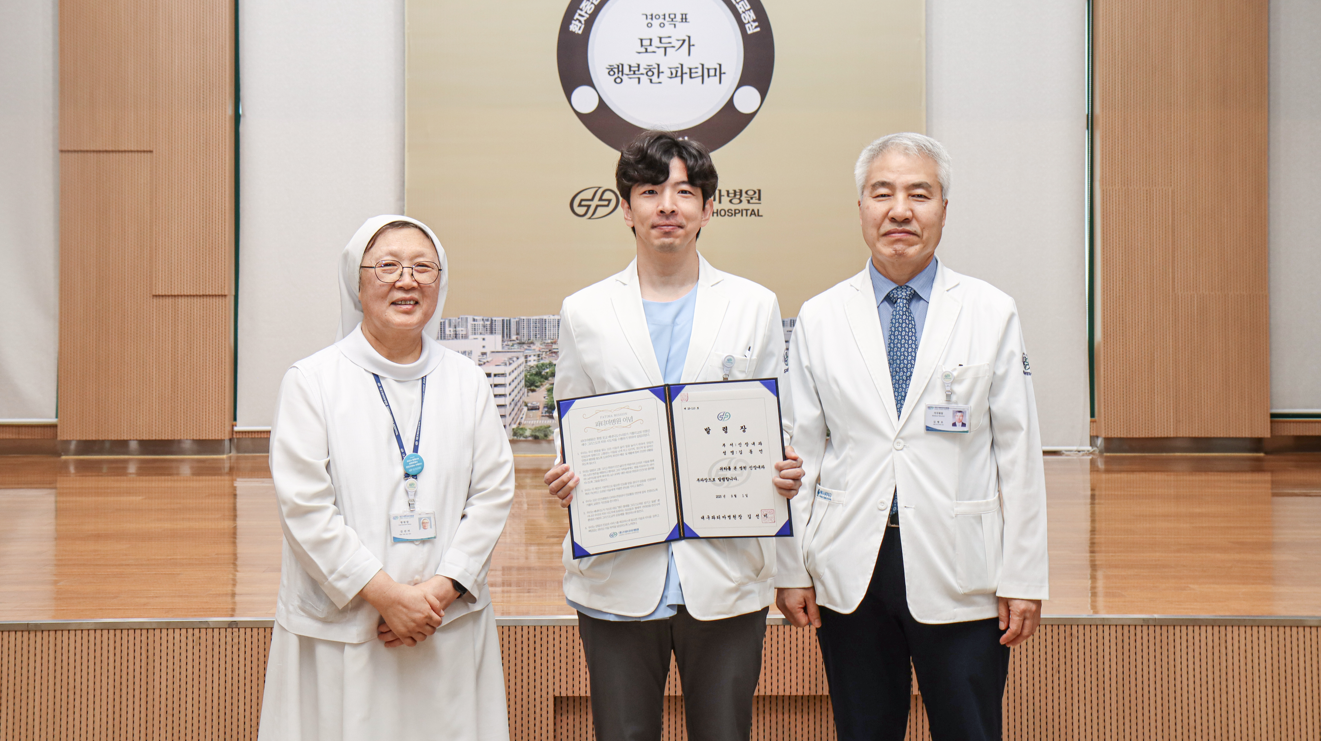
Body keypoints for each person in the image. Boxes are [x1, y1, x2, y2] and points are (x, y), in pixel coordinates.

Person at [775, 134, 1049, 741]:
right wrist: (790, 567)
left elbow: (1019, 454)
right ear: (861, 208)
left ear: (944, 209)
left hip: (964, 567)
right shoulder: (820, 316)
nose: (900, 211)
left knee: (969, 729)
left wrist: (1024, 577)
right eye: (883, 194)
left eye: (918, 195)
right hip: (851, 568)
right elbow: (801, 453)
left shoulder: (990, 311)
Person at [543, 131, 804, 741]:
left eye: (685, 192)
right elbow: (569, 424)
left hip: (725, 571)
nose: (667, 206)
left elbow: (780, 427)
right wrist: (565, 470)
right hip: (618, 568)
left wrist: (785, 467)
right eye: (649, 191)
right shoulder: (585, 310)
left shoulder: (753, 305)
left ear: (708, 209)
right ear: (626, 208)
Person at [258, 215, 515, 740]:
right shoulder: (313, 381)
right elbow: (305, 509)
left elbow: (492, 493)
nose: (407, 281)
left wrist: (441, 589)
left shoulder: (467, 380)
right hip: (347, 627)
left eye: (423, 267)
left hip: (444, 622)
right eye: (388, 266)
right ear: (356, 282)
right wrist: (387, 596)